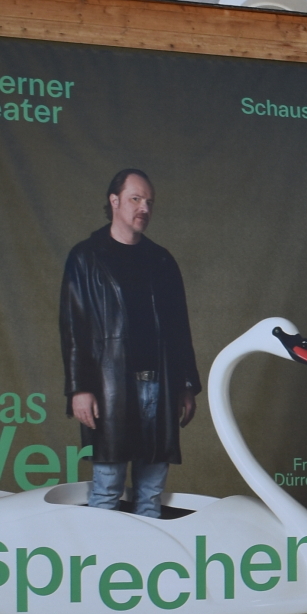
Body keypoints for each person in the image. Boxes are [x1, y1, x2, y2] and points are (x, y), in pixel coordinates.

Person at [61, 167, 199, 517]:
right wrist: (79, 388)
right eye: (136, 198)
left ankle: (143, 568)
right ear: (114, 201)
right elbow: (74, 328)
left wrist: (185, 385)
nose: (144, 208)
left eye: (149, 201)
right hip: (110, 387)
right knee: (107, 487)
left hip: (160, 385)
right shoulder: (85, 257)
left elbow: (179, 329)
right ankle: (101, 568)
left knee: (151, 494)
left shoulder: (162, 260)